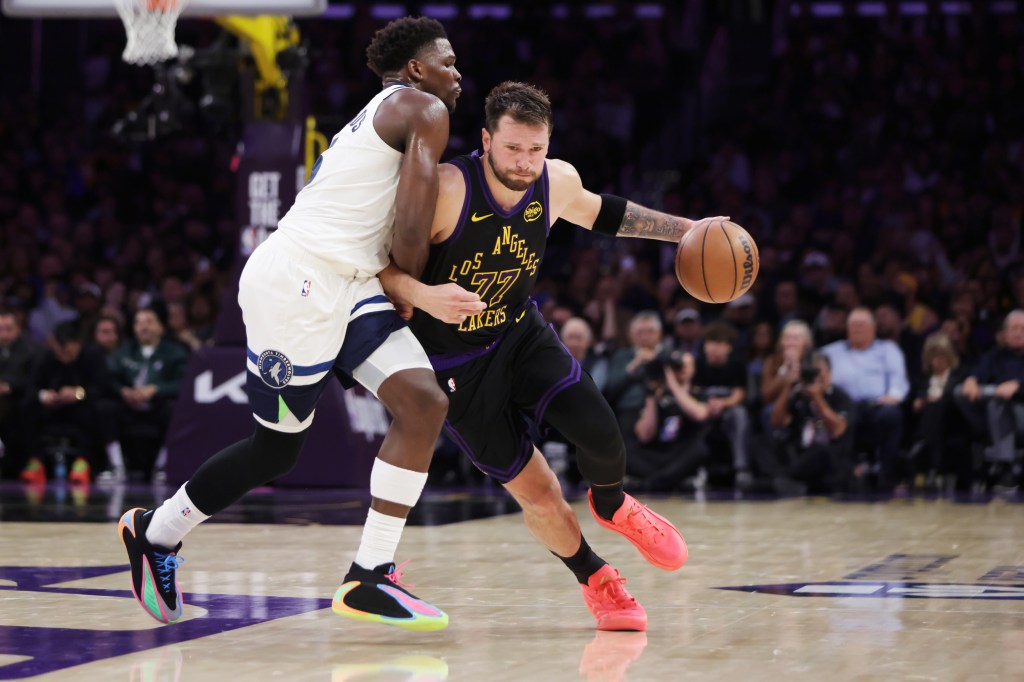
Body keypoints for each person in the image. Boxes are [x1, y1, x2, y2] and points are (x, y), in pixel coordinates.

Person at [118, 17, 482, 630]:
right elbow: (413, 226)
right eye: (447, 62)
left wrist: (397, 286)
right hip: (300, 282)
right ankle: (155, 532)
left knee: (423, 402)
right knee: (276, 449)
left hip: (351, 280)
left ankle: (370, 576)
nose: (457, 73)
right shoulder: (422, 107)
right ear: (416, 70)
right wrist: (414, 291)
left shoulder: (384, 112)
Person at [385, 82, 718, 631]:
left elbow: (606, 214)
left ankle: (612, 505)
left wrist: (691, 231)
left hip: (519, 335)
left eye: (535, 149)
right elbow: (379, 266)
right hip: (455, 369)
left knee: (603, 433)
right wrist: (423, 296)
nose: (524, 162)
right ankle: (598, 580)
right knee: (539, 493)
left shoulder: (554, 180)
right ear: (487, 139)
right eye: (513, 149)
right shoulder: (446, 189)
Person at [821, 307, 909, 489]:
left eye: (862, 324)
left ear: (873, 328)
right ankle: (845, 474)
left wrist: (893, 395)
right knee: (836, 416)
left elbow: (898, 378)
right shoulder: (830, 352)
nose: (857, 328)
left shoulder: (888, 349)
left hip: (876, 405)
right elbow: (815, 370)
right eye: (853, 324)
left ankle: (887, 474)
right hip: (843, 406)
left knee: (891, 415)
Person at [100, 306, 189, 484]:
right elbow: (109, 379)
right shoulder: (125, 350)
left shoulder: (175, 352)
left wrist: (156, 389)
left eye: (149, 322)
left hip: (158, 406)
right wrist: (123, 391)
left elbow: (184, 383)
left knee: (174, 410)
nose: (143, 327)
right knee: (104, 408)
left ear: (160, 328)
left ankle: (163, 466)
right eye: (139, 323)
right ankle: (116, 465)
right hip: (129, 406)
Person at [765, 352, 853, 495]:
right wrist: (788, 386)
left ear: (829, 373)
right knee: (760, 441)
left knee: (820, 450)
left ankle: (781, 479)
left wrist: (817, 399)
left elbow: (838, 430)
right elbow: (776, 421)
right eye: (810, 373)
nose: (815, 378)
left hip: (829, 461)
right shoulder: (799, 395)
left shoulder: (841, 397)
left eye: (819, 372)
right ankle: (785, 480)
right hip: (801, 457)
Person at [0, 310, 41, 479]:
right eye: (0, 329)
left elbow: (32, 380)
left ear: (18, 329)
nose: (4, 334)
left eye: (8, 329)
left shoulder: (30, 350)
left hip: (20, 400)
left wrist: (9, 386)